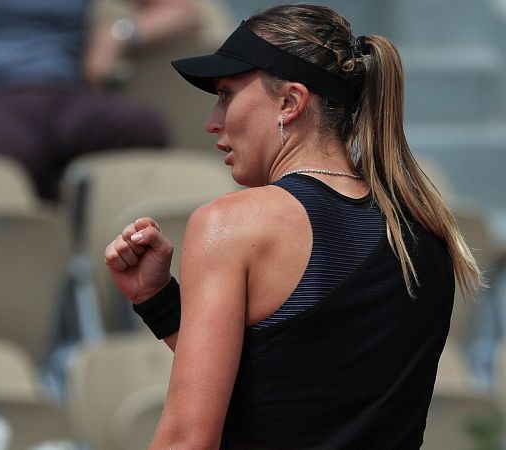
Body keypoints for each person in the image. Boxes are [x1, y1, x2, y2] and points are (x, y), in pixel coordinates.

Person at [104, 4, 484, 449]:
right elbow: (291, 382)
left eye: (226, 94)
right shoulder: (425, 228)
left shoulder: (230, 225)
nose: (212, 120)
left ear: (290, 102)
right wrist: (159, 302)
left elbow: (186, 442)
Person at [0, 0, 201, 199]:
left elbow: (184, 12)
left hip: (60, 93)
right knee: (10, 152)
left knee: (143, 126)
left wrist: (118, 34)